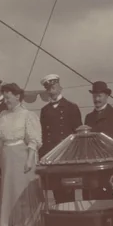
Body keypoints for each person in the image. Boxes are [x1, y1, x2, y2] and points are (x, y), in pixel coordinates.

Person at [0, 83, 43, 226]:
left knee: (20, 192)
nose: (6, 100)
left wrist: (30, 160)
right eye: (4, 97)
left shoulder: (28, 115)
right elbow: (0, 141)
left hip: (22, 157)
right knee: (7, 192)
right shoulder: (2, 115)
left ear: (18, 96)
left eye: (8, 97)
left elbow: (33, 140)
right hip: (6, 158)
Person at [81, 81, 113, 201]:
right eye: (94, 96)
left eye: (99, 96)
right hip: (96, 169)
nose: (96, 99)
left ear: (106, 96)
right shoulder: (89, 118)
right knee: (98, 200)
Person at [37, 74, 82, 204]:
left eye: (54, 87)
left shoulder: (71, 107)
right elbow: (44, 134)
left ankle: (71, 215)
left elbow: (77, 132)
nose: (52, 90)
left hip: (67, 154)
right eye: (49, 88)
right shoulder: (45, 110)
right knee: (56, 188)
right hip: (52, 155)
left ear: (60, 87)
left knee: (69, 187)